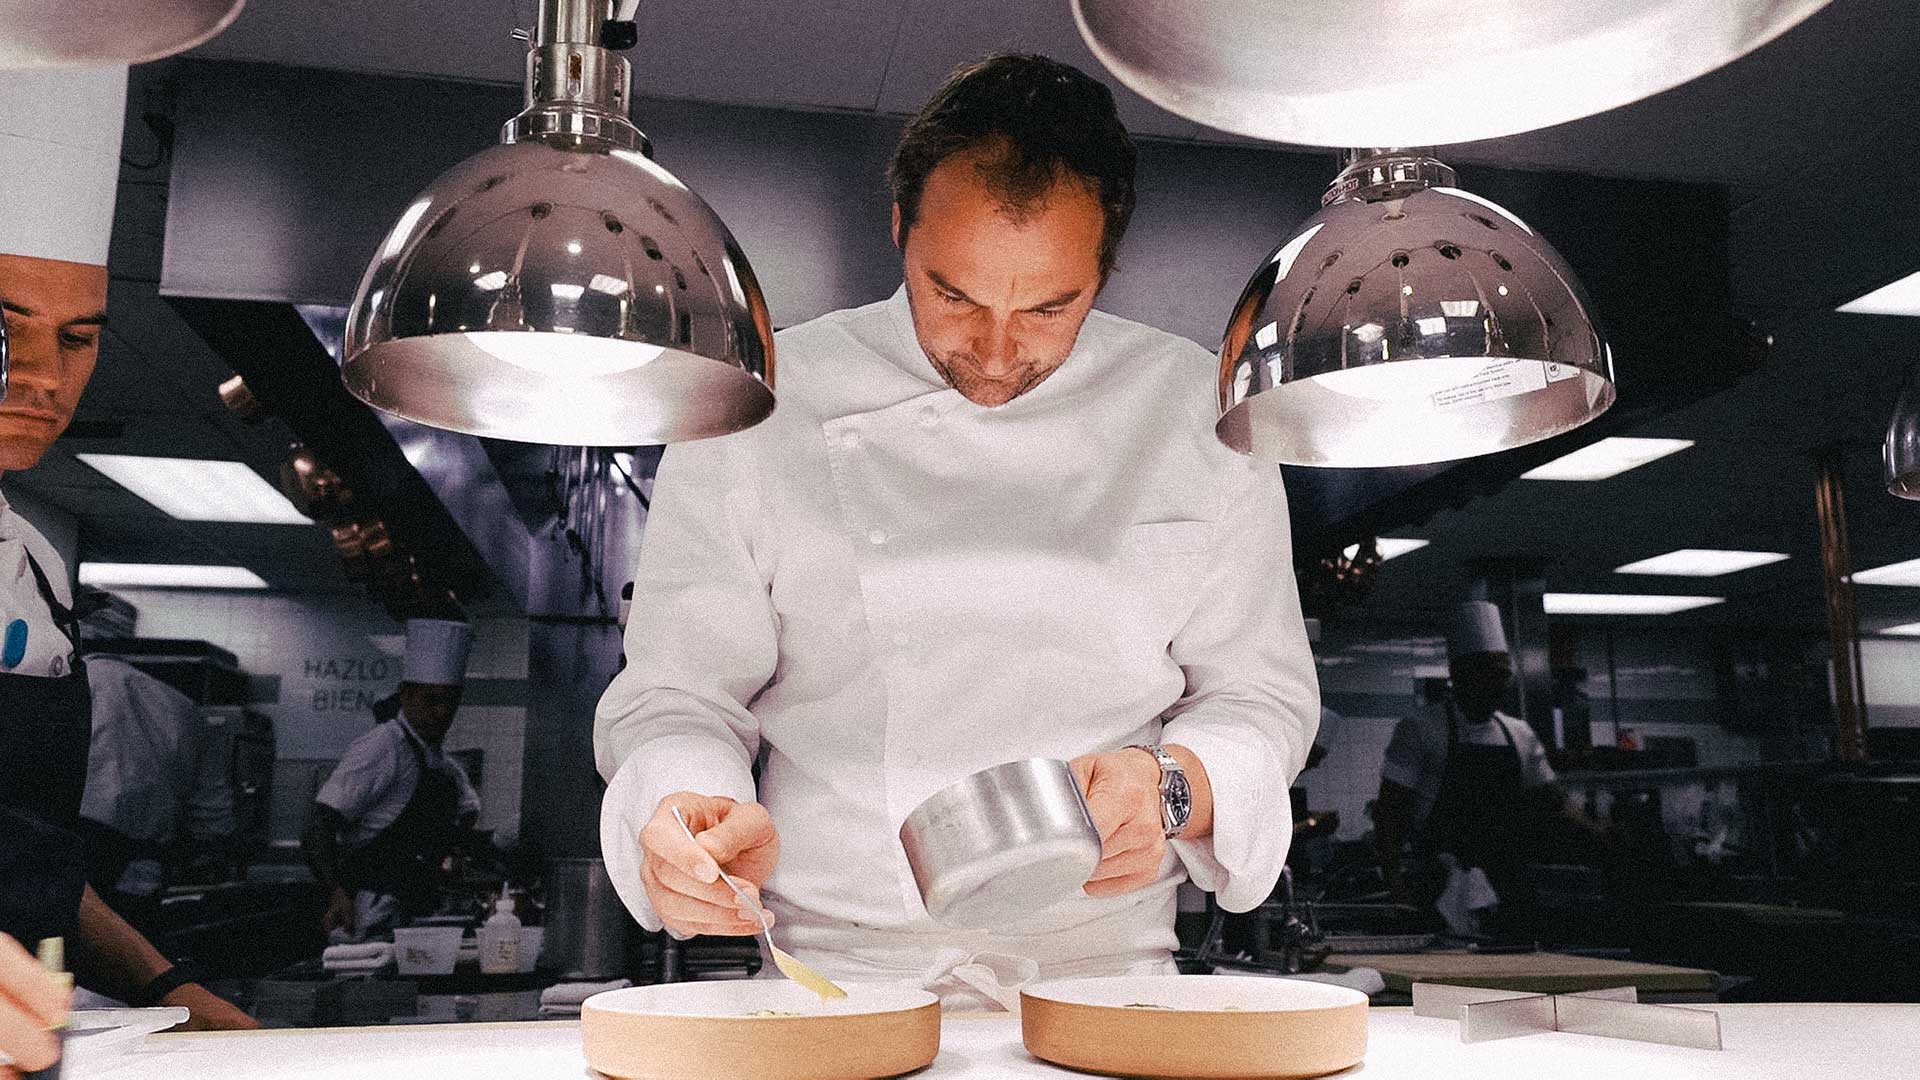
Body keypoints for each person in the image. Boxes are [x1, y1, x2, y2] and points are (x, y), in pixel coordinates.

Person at [596, 53, 1319, 1009]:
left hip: (1109, 980)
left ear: (1106, 268)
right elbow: (679, 695)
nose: (997, 351)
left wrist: (1177, 786)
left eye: (1050, 307)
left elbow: (1259, 697)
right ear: (900, 228)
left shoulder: (1198, 411)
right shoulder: (759, 402)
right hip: (836, 984)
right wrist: (689, 803)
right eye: (955, 296)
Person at [1, 66, 254, 1029]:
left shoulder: (32, 567)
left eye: (76, 339)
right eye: (6, 328)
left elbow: (31, 868)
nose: (41, 377)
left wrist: (171, 991)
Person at [1373, 601, 1603, 939]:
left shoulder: (1519, 734)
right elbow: (1389, 813)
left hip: (1508, 884)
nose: (1499, 683)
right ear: (1459, 675)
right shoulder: (1421, 728)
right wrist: (1396, 886)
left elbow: (1555, 801)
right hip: (1437, 884)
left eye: (1504, 674)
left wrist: (1601, 834)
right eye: (1489, 673)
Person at [303, 619, 483, 940]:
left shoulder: (439, 760)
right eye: (432, 700)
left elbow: (465, 814)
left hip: (410, 915)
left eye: (450, 701)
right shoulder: (383, 746)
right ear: (406, 695)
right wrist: (336, 892)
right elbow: (318, 825)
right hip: (365, 917)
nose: (442, 712)